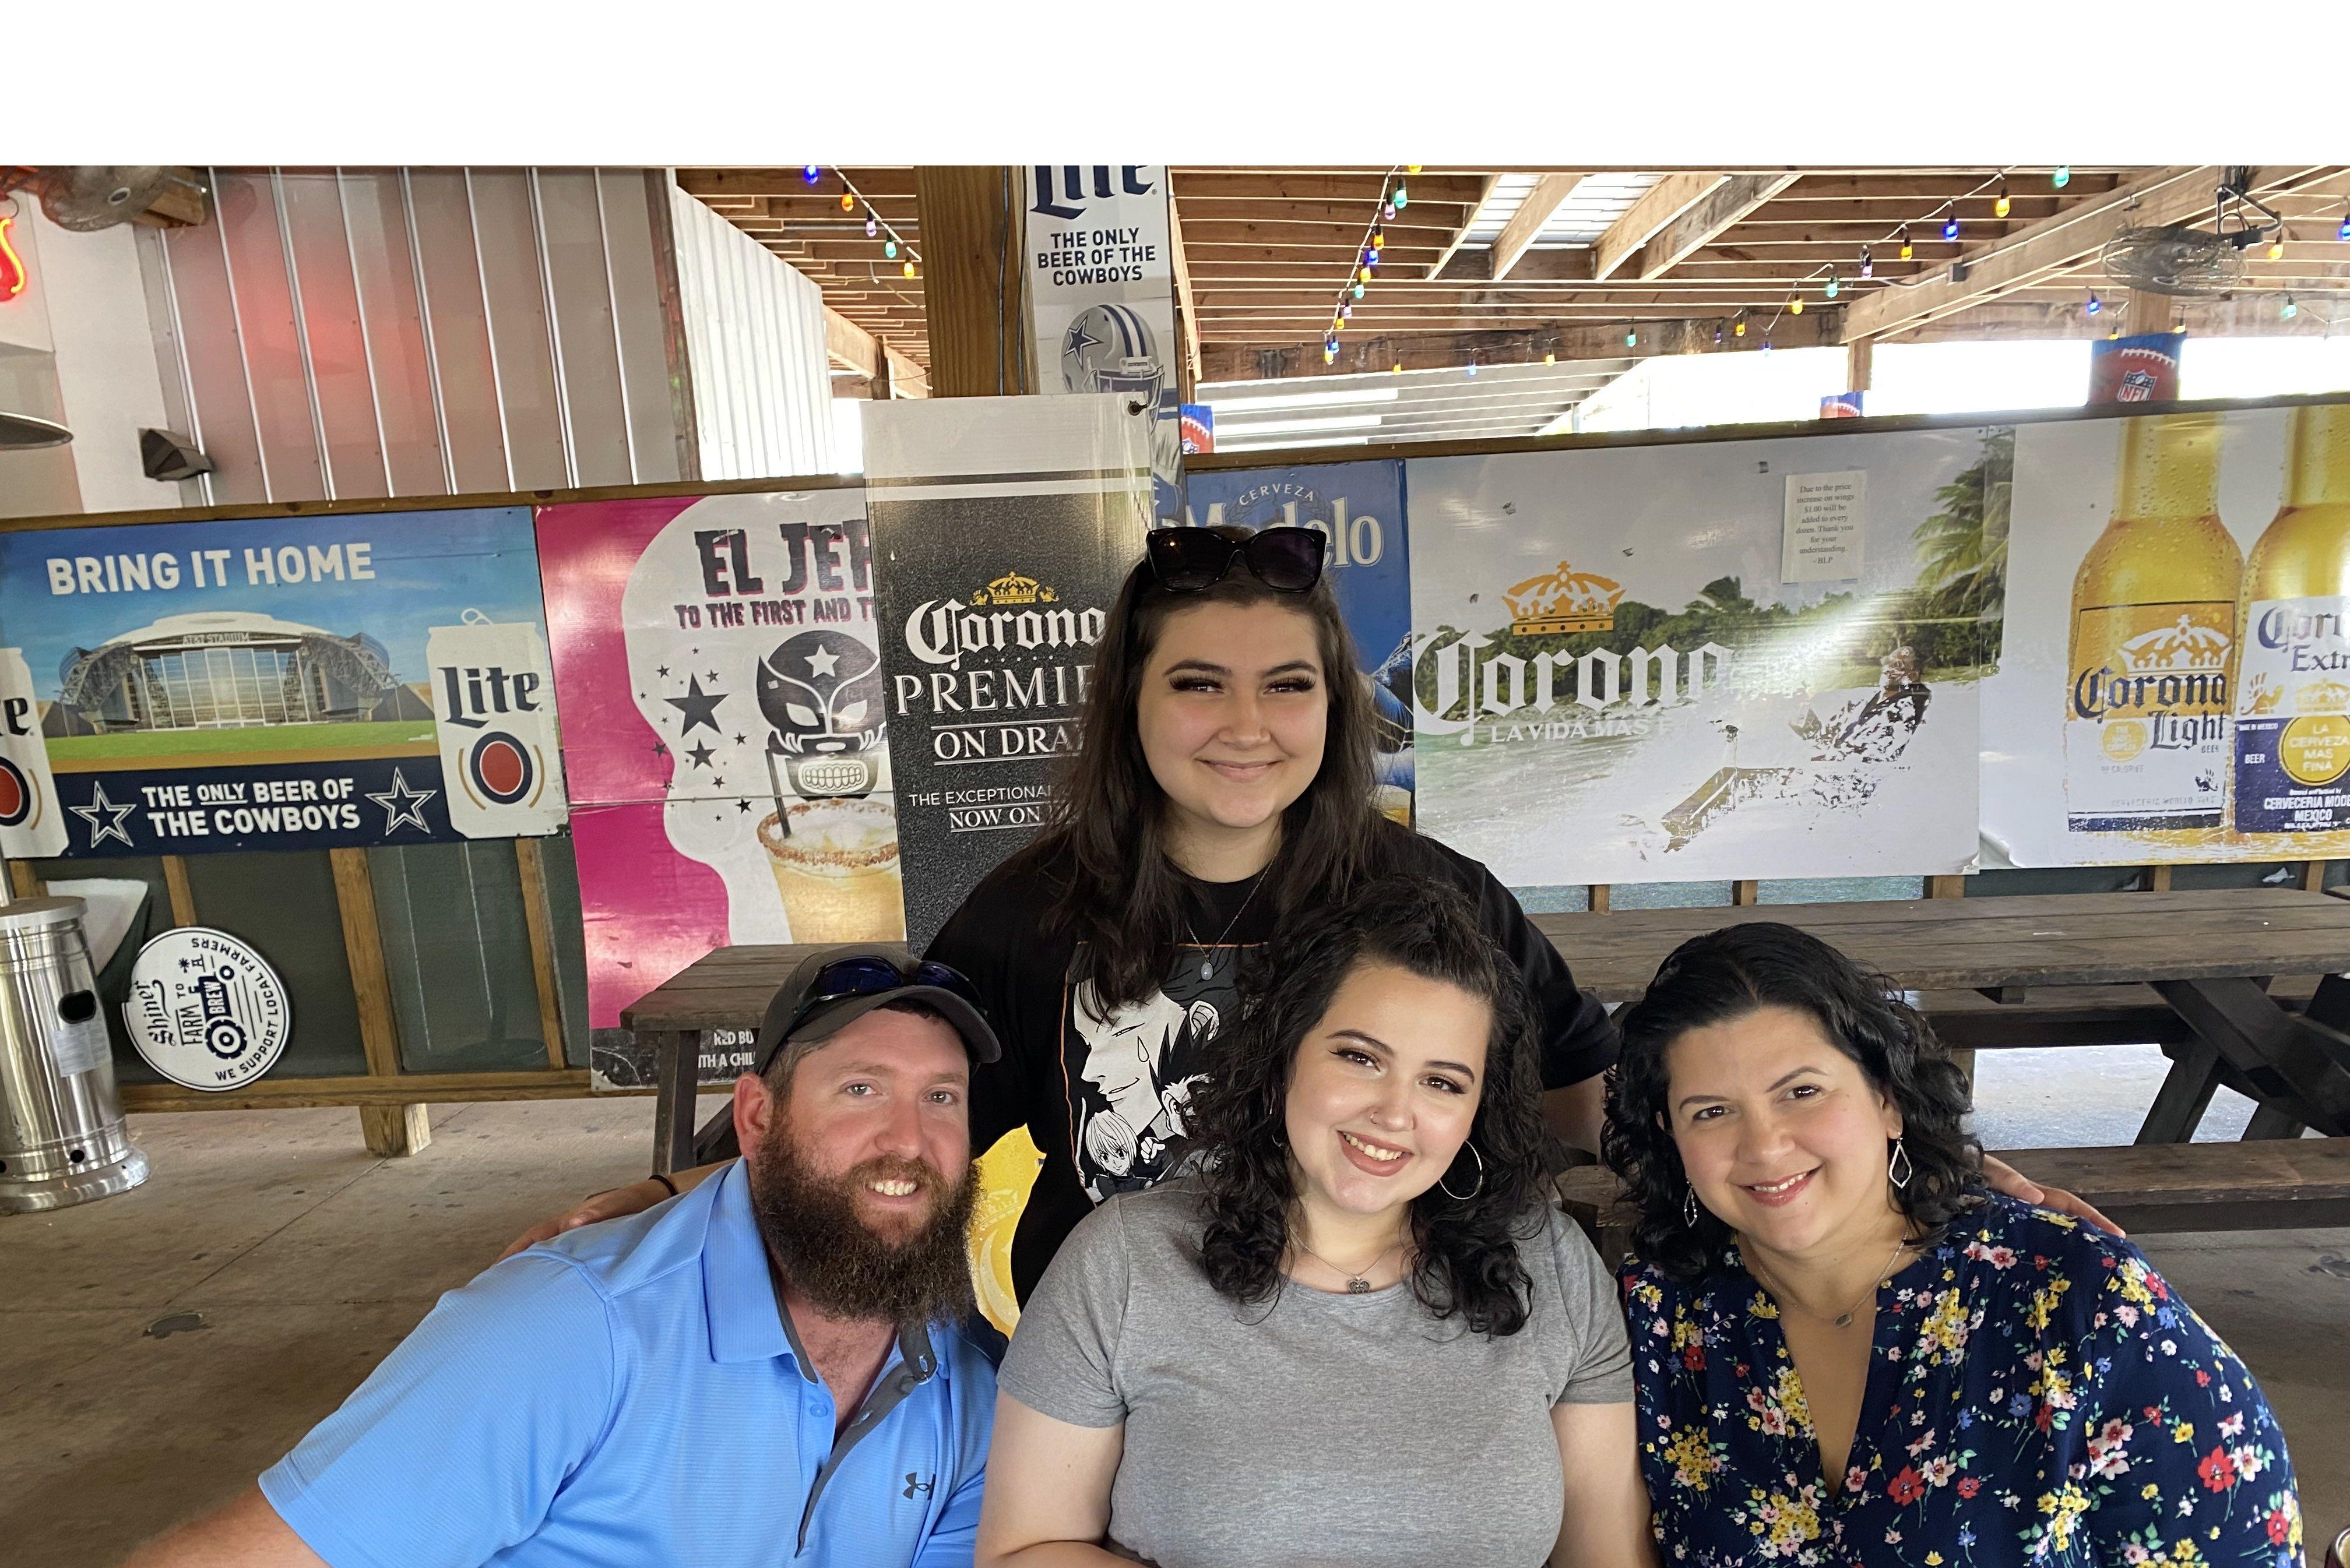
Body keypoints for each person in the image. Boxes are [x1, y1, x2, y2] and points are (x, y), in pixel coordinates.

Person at [506, 523, 2108, 1287]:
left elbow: (1604, 1096)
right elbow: (898, 1115)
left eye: (1288, 684)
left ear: (1335, 706)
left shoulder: (1435, 899)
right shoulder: (1032, 910)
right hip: (1115, 1340)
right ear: (1132, 706)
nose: (1246, 725)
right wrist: (673, 1191)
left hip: (1397, 1327)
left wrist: (1930, 1168)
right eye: (1197, 683)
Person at [0, 954, 1010, 1568]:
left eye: (942, 1098)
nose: (907, 1142)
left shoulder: (960, 1383)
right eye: (861, 1090)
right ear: (755, 1120)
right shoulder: (580, 1324)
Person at [973, 879, 1672, 1568]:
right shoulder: (1124, 1261)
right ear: (1285, 1051)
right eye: (1359, 1057)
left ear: (1479, 1106)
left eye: (1444, 1081)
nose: (1395, 1114)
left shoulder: (1550, 1267)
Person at [1603, 922, 2316, 1568]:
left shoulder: (2080, 1307)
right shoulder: (1659, 1321)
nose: (1763, 1145)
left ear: (1888, 1100)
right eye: (1711, 1111)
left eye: (1803, 1092)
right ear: (1670, 1138)